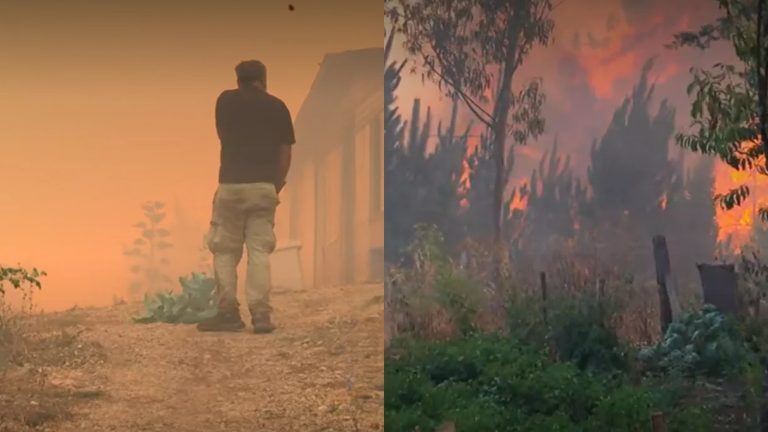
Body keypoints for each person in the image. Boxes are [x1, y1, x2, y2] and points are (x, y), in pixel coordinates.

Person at [197, 60, 295, 334]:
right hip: (264, 187)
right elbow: (285, 152)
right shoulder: (278, 107)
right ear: (263, 79)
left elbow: (222, 135)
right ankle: (261, 316)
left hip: (231, 185)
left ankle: (228, 313)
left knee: (225, 250)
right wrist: (275, 185)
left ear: (238, 79)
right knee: (259, 251)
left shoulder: (225, 101)